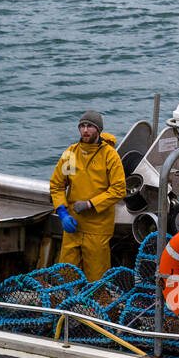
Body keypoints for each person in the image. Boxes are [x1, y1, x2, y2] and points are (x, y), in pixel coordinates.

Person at [48, 110, 125, 280]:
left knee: (96, 278)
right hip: (73, 225)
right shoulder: (72, 153)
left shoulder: (109, 155)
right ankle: (67, 305)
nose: (85, 130)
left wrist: (90, 204)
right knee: (66, 275)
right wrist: (62, 213)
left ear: (98, 129)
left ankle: (93, 306)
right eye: (82, 126)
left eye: (90, 126)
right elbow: (57, 185)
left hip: (98, 228)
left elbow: (119, 189)